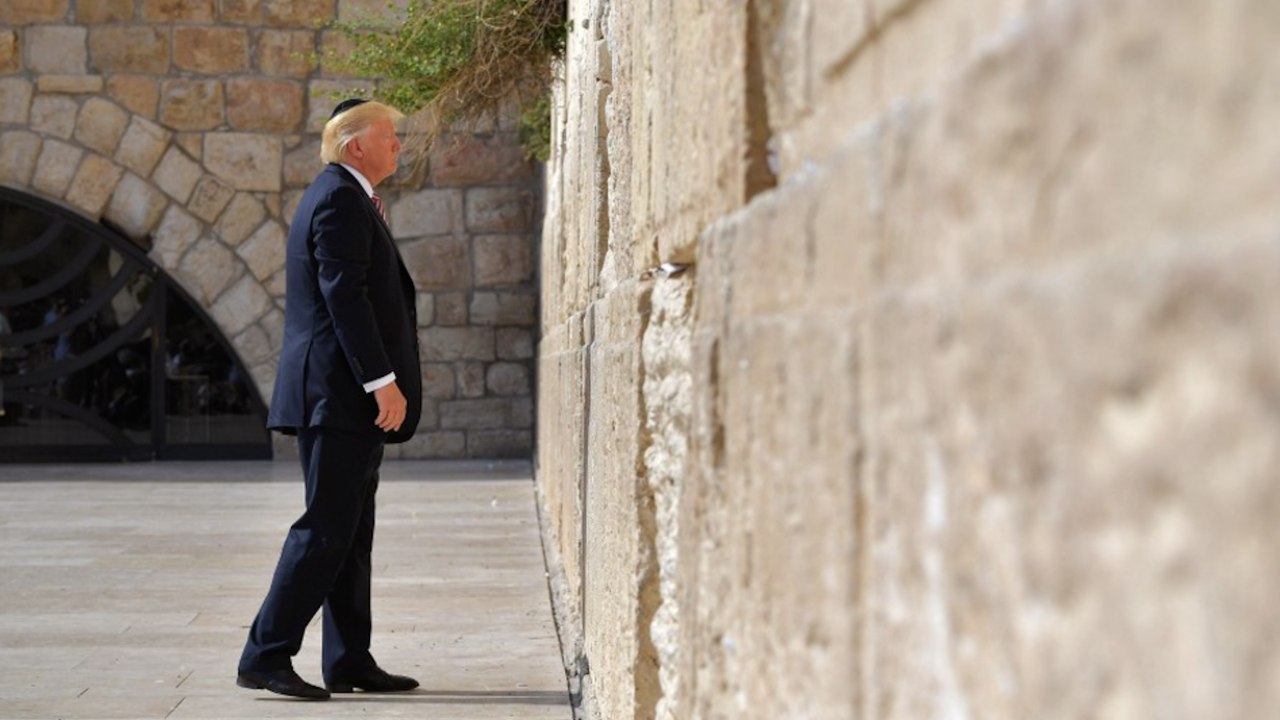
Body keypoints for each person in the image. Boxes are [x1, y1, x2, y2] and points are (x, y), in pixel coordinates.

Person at [236, 99, 423, 701]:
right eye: (388, 135)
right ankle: (265, 655)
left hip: (342, 397)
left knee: (350, 531)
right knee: (324, 528)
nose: (398, 145)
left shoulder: (348, 196)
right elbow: (345, 296)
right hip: (338, 395)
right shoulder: (339, 198)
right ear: (354, 145)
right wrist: (380, 380)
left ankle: (348, 660)